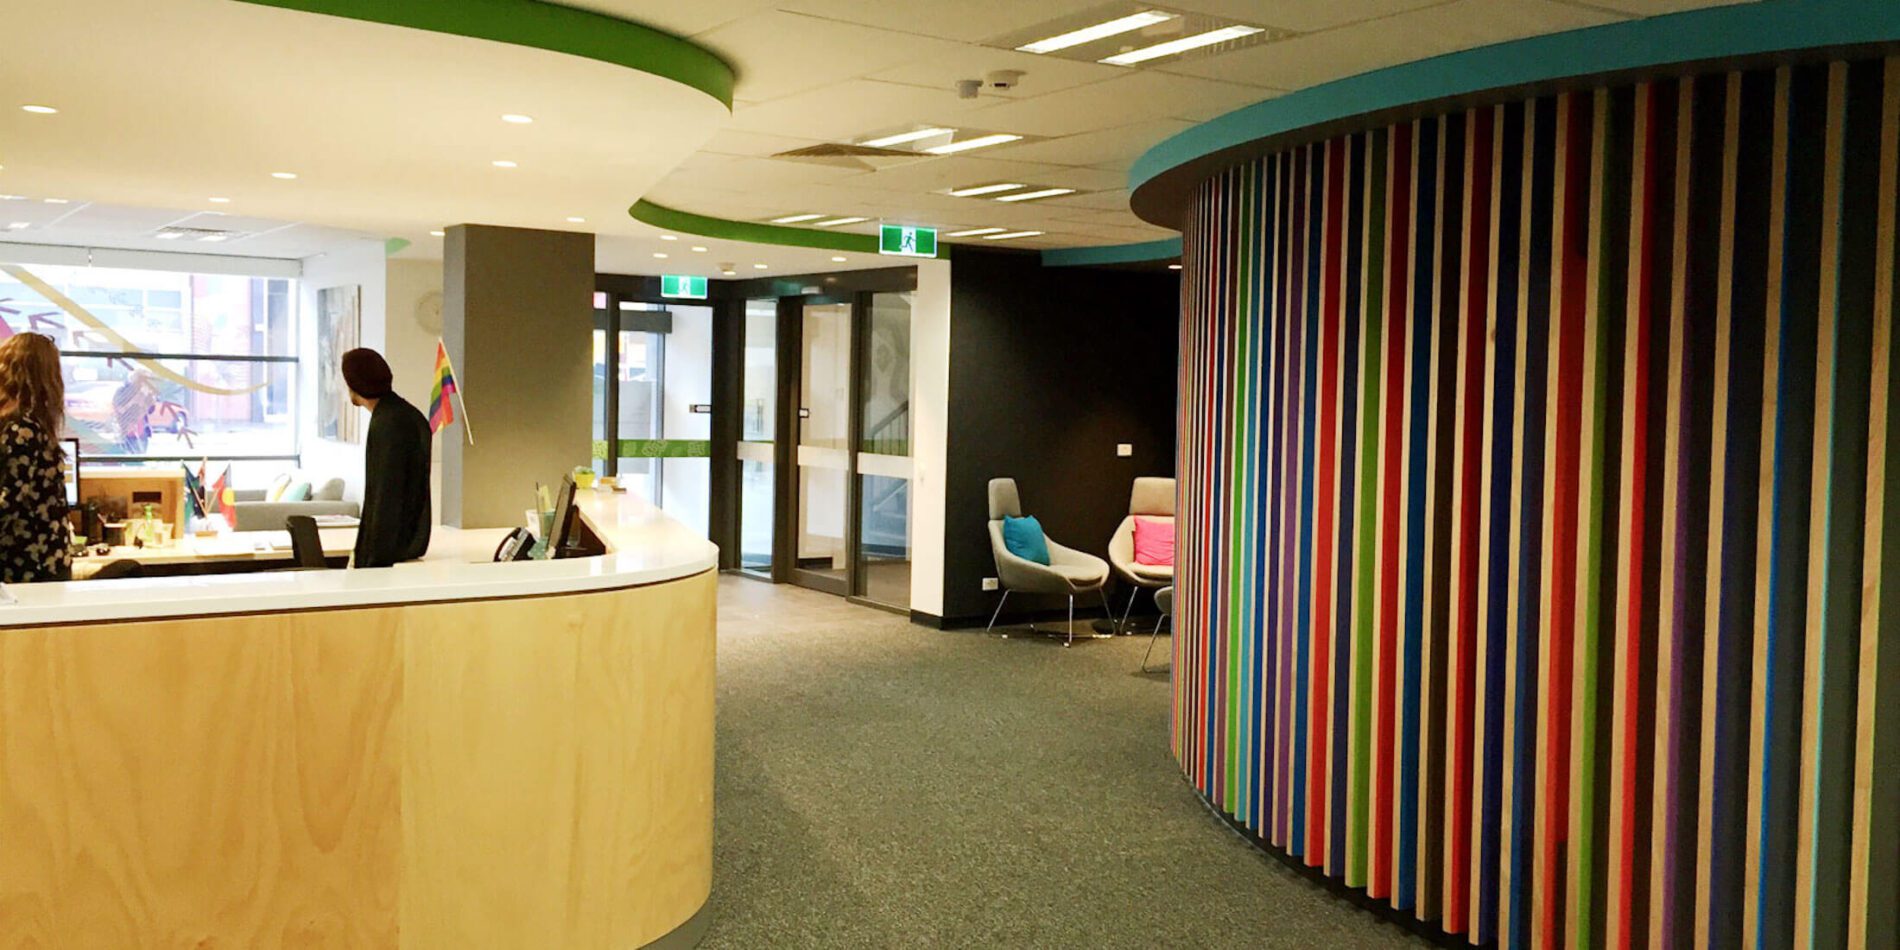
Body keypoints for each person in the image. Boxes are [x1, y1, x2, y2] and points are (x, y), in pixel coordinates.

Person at [341, 348, 431, 567]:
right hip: (407, 546)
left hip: (389, 557)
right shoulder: (406, 414)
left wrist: (370, 559)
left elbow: (385, 495)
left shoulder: (388, 423)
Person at [0, 332, 73, 582]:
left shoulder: (20, 427)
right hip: (34, 566)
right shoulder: (26, 429)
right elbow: (8, 504)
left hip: (25, 564)